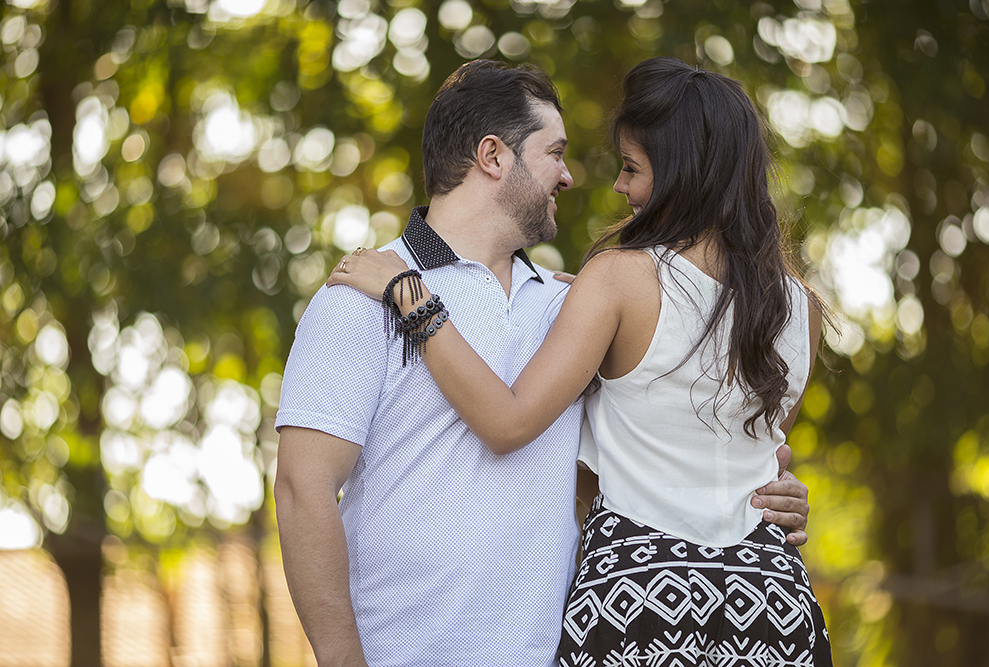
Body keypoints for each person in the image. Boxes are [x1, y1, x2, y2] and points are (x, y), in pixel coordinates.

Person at [276, 59, 811, 667]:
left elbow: (669, 435)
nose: (570, 174)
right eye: (554, 152)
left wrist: (766, 486)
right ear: (493, 156)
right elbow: (302, 489)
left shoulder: (574, 307)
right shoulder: (362, 294)